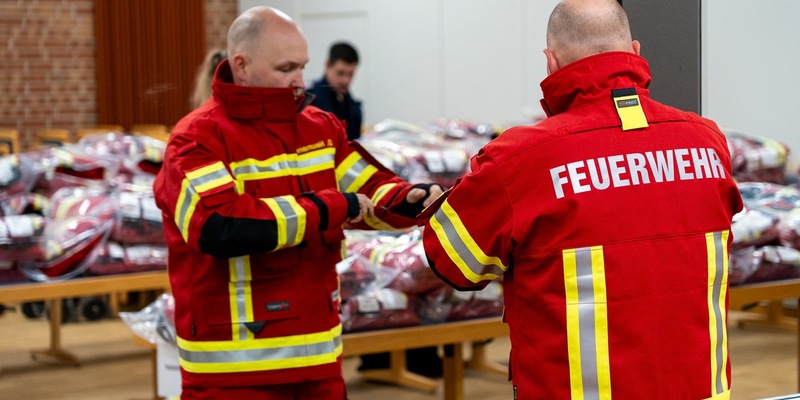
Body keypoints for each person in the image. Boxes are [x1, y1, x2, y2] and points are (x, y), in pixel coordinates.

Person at [419, 0, 743, 399]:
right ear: (635, 53)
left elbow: (452, 263)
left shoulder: (520, 160)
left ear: (551, 63)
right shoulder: (707, 142)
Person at [153, 6, 442, 399]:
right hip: (234, 370)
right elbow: (222, 226)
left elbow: (370, 187)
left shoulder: (318, 127)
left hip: (317, 356)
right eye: (286, 68)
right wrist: (334, 207)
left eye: (302, 67)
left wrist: (409, 199)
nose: (299, 81)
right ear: (241, 65)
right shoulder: (196, 139)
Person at [306, 42, 363, 141]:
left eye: (351, 74)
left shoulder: (353, 107)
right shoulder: (308, 100)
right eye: (340, 73)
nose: (346, 80)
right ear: (327, 65)